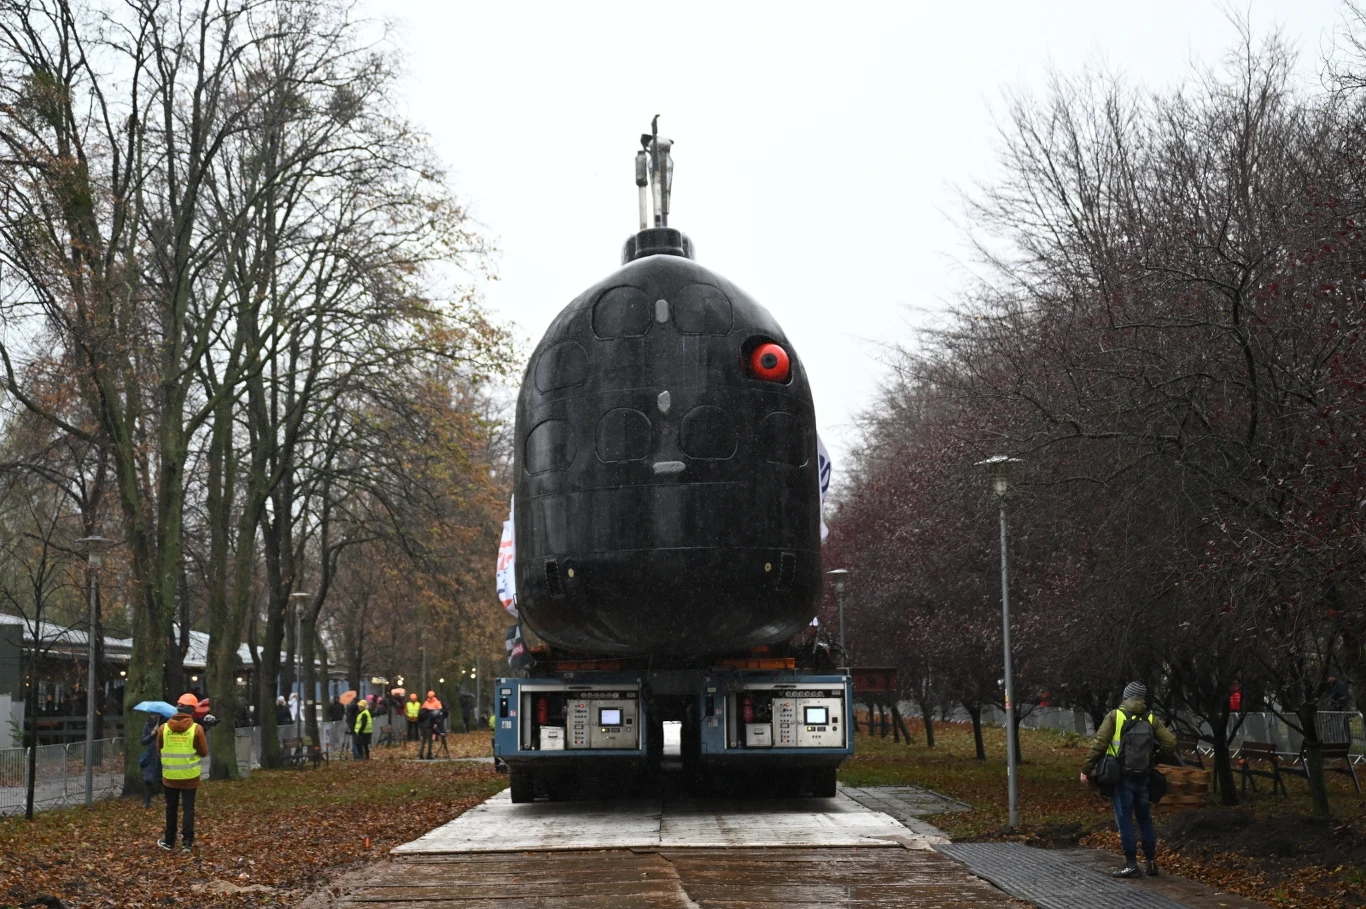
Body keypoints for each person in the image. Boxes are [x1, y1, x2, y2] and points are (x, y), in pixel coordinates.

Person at [1081, 681, 1177, 878]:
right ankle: (1151, 861)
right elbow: (1170, 742)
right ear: (1142, 698)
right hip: (1143, 776)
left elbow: (1099, 743)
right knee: (1144, 818)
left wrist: (1086, 769)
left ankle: (1131, 864)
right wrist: (1154, 759)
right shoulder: (1150, 717)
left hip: (1121, 776)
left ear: (1126, 696)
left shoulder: (1115, 716)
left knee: (1124, 819)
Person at [159, 693, 208, 851]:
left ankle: (169, 841)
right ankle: (187, 842)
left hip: (169, 776)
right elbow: (203, 752)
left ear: (177, 708)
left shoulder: (163, 728)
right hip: (190, 776)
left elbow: (159, 750)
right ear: (192, 710)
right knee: (188, 808)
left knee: (171, 808)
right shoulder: (197, 729)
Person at [139, 714, 163, 808]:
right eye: (153, 714)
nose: (154, 716)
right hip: (151, 755)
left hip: (162, 755)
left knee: (163, 778)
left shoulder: (164, 725)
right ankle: (147, 801)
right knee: (148, 780)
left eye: (156, 714)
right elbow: (143, 741)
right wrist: (152, 734)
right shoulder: (147, 725)